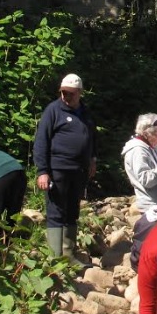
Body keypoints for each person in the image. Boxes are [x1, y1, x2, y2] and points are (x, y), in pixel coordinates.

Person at [33, 74, 98, 257]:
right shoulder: (53, 110)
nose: (66, 96)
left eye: (70, 93)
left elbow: (92, 137)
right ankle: (55, 257)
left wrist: (93, 159)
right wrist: (42, 171)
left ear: (79, 92)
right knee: (56, 211)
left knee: (72, 211)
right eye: (63, 93)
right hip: (57, 169)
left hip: (79, 170)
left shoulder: (85, 113)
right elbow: (41, 141)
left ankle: (69, 254)